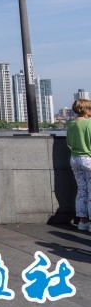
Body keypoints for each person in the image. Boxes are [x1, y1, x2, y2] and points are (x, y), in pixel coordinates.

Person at [67, 99, 91, 231]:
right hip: (88, 159)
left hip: (75, 159)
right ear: (86, 109)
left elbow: (69, 142)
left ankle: (83, 222)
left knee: (82, 190)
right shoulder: (89, 123)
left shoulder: (71, 124)